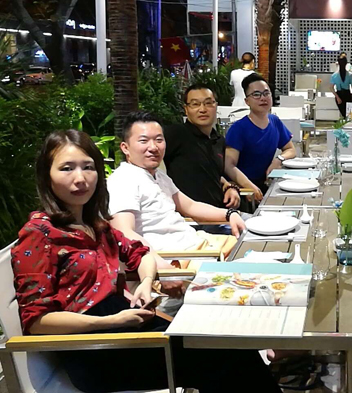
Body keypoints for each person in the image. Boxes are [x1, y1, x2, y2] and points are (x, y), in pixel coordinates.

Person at [11, 129, 280, 393]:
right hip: (93, 350)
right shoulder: (39, 235)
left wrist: (146, 282)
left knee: (225, 346)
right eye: (67, 168)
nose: (80, 178)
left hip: (127, 326)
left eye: (88, 167)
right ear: (46, 175)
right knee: (221, 357)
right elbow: (37, 321)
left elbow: (141, 254)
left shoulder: (96, 226)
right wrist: (111, 322)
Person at [108, 111, 245, 252]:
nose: (153, 147)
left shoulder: (158, 176)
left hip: (198, 242)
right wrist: (156, 262)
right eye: (144, 141)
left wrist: (230, 214)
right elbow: (124, 233)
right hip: (180, 256)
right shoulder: (123, 180)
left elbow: (190, 206)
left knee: (251, 240)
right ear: (125, 148)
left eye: (159, 140)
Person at [164, 84, 242, 214]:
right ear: (186, 109)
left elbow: (212, 174)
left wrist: (229, 187)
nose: (202, 109)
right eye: (195, 104)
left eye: (208, 103)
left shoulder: (218, 140)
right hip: (193, 218)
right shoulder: (176, 134)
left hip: (220, 212)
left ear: (216, 106)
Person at [225, 72, 296, 200]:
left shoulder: (275, 121)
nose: (263, 98)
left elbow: (291, 149)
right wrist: (248, 186)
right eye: (256, 94)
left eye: (266, 93)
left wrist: (278, 159)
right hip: (243, 190)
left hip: (266, 184)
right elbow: (229, 166)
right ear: (247, 101)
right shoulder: (238, 128)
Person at [330, 52, 352, 117]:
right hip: (341, 94)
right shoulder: (335, 75)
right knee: (345, 114)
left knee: (348, 114)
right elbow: (331, 88)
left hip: (346, 95)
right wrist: (337, 97)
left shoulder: (349, 75)